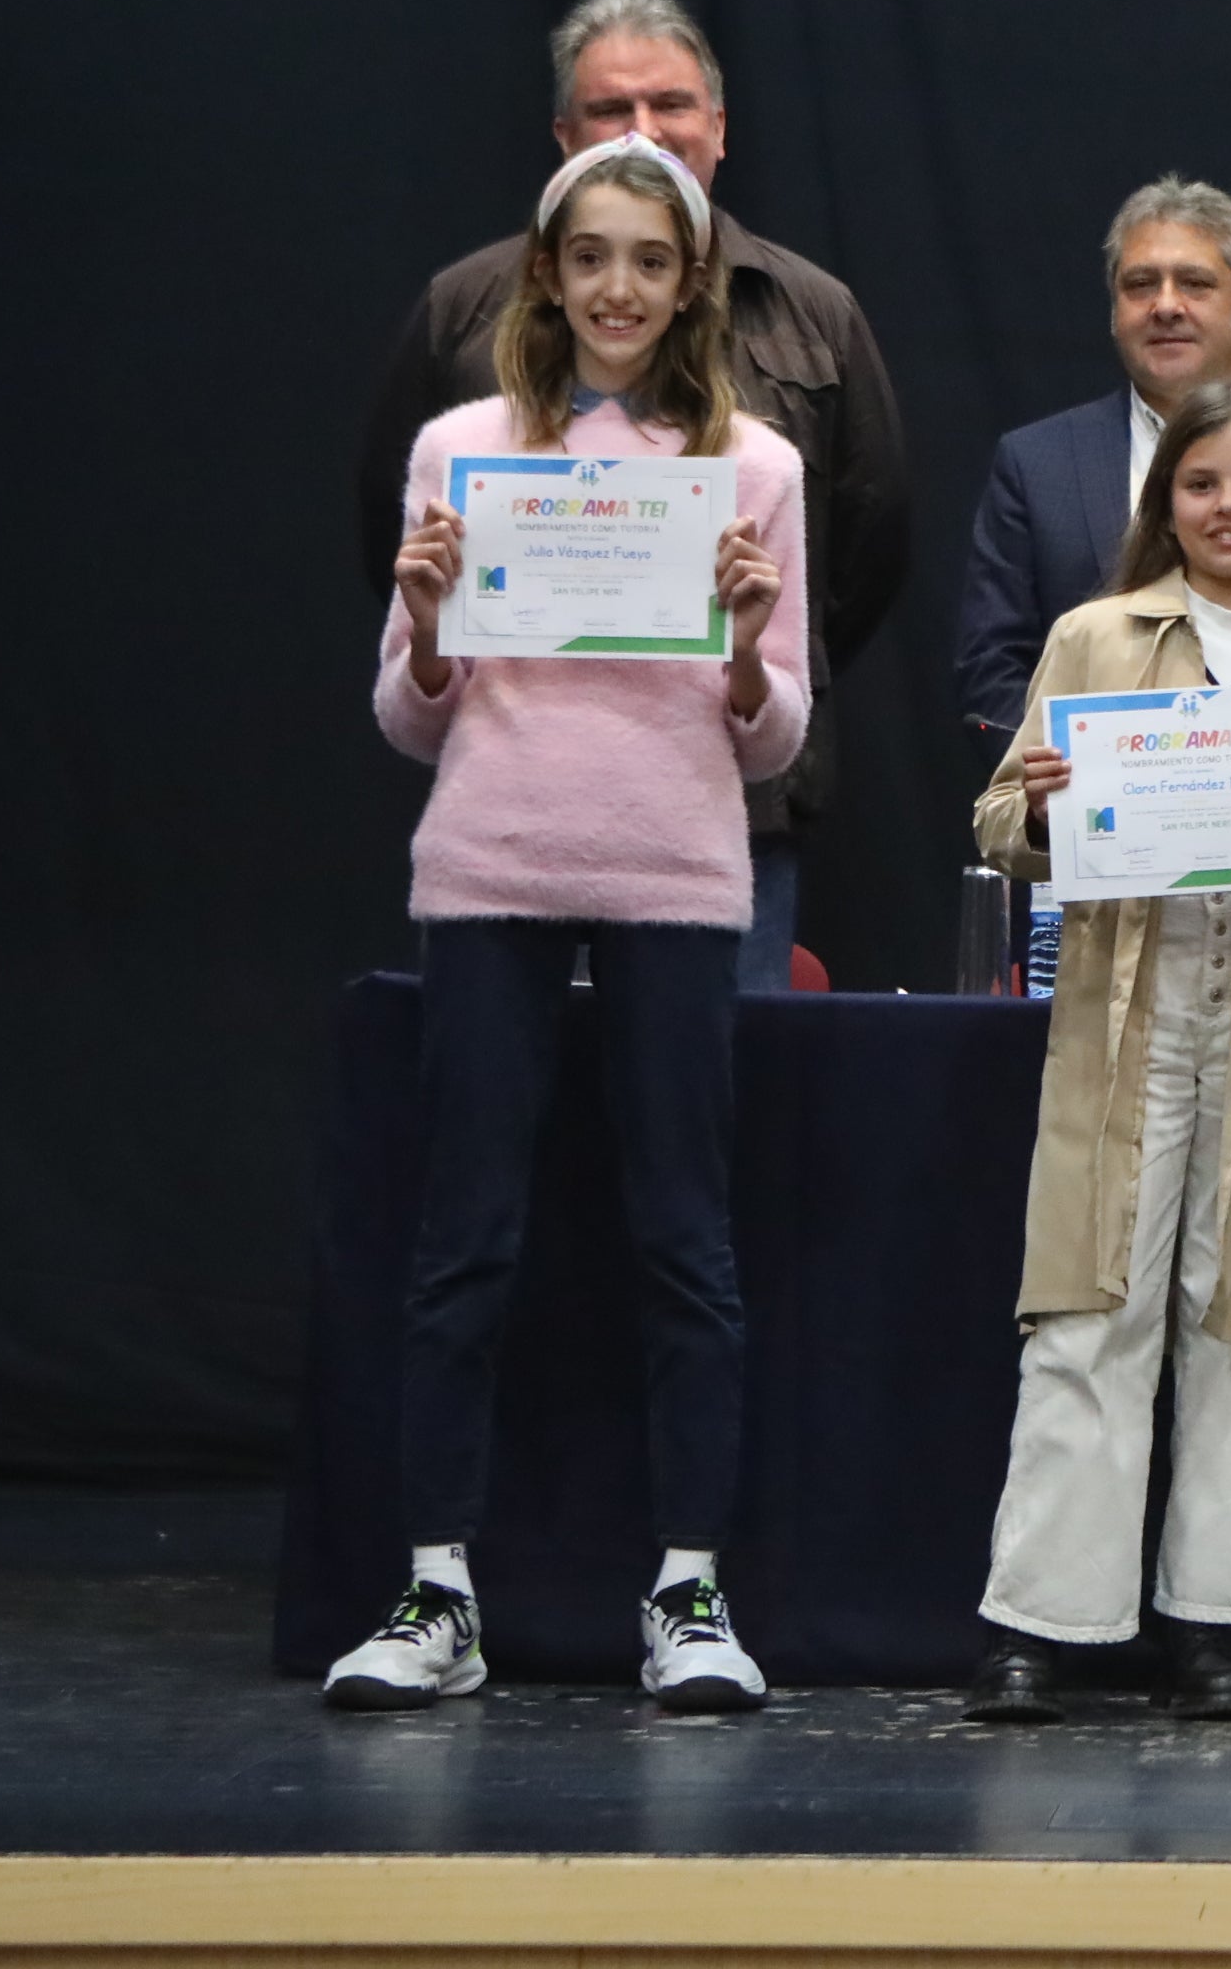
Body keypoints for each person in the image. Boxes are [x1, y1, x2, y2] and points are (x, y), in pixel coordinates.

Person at [322, 133, 804, 1718]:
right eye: (592, 256)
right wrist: (422, 620)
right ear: (549, 272)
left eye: (651, 262)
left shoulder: (755, 472)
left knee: (687, 1243)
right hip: (492, 868)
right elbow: (410, 720)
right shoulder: (464, 448)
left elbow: (775, 737)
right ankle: (436, 1588)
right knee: (465, 1243)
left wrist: (742, 648)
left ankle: (689, 1589)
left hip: (674, 873)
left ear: (691, 286)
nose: (619, 287)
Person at [959, 380, 1231, 1726]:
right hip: (1122, 1024)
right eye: (1203, 486)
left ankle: (1224, 1627)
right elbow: (999, 823)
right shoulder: (1095, 638)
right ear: (1166, 504)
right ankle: (1041, 1624)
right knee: (1089, 1310)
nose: (1229, 508)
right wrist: (1044, 810)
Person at [355, 0, 908, 993]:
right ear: (564, 134)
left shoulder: (814, 314)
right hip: (513, 810)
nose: (643, 134)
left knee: (698, 1116)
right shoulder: (462, 311)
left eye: (672, 105)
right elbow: (399, 547)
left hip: (724, 812)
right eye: (611, 111)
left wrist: (731, 650)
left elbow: (864, 555)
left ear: (722, 127)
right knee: (503, 1121)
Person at [957, 175, 1231, 743]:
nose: (1165, 305)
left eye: (1194, 283)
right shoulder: (1035, 463)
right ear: (1115, 309)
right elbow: (991, 664)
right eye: (1140, 284)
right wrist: (1074, 787)